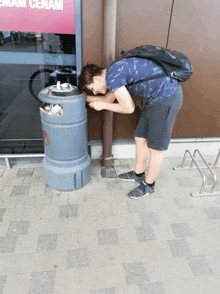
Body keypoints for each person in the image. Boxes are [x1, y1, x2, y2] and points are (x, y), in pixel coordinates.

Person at [78, 56, 183, 199]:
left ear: (96, 79)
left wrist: (102, 106)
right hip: (154, 100)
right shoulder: (111, 72)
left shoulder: (113, 77)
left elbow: (128, 108)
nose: (94, 93)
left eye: (92, 89)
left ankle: (149, 185)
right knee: (140, 137)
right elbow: (107, 99)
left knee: (155, 148)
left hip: (167, 97)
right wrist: (81, 98)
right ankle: (138, 174)